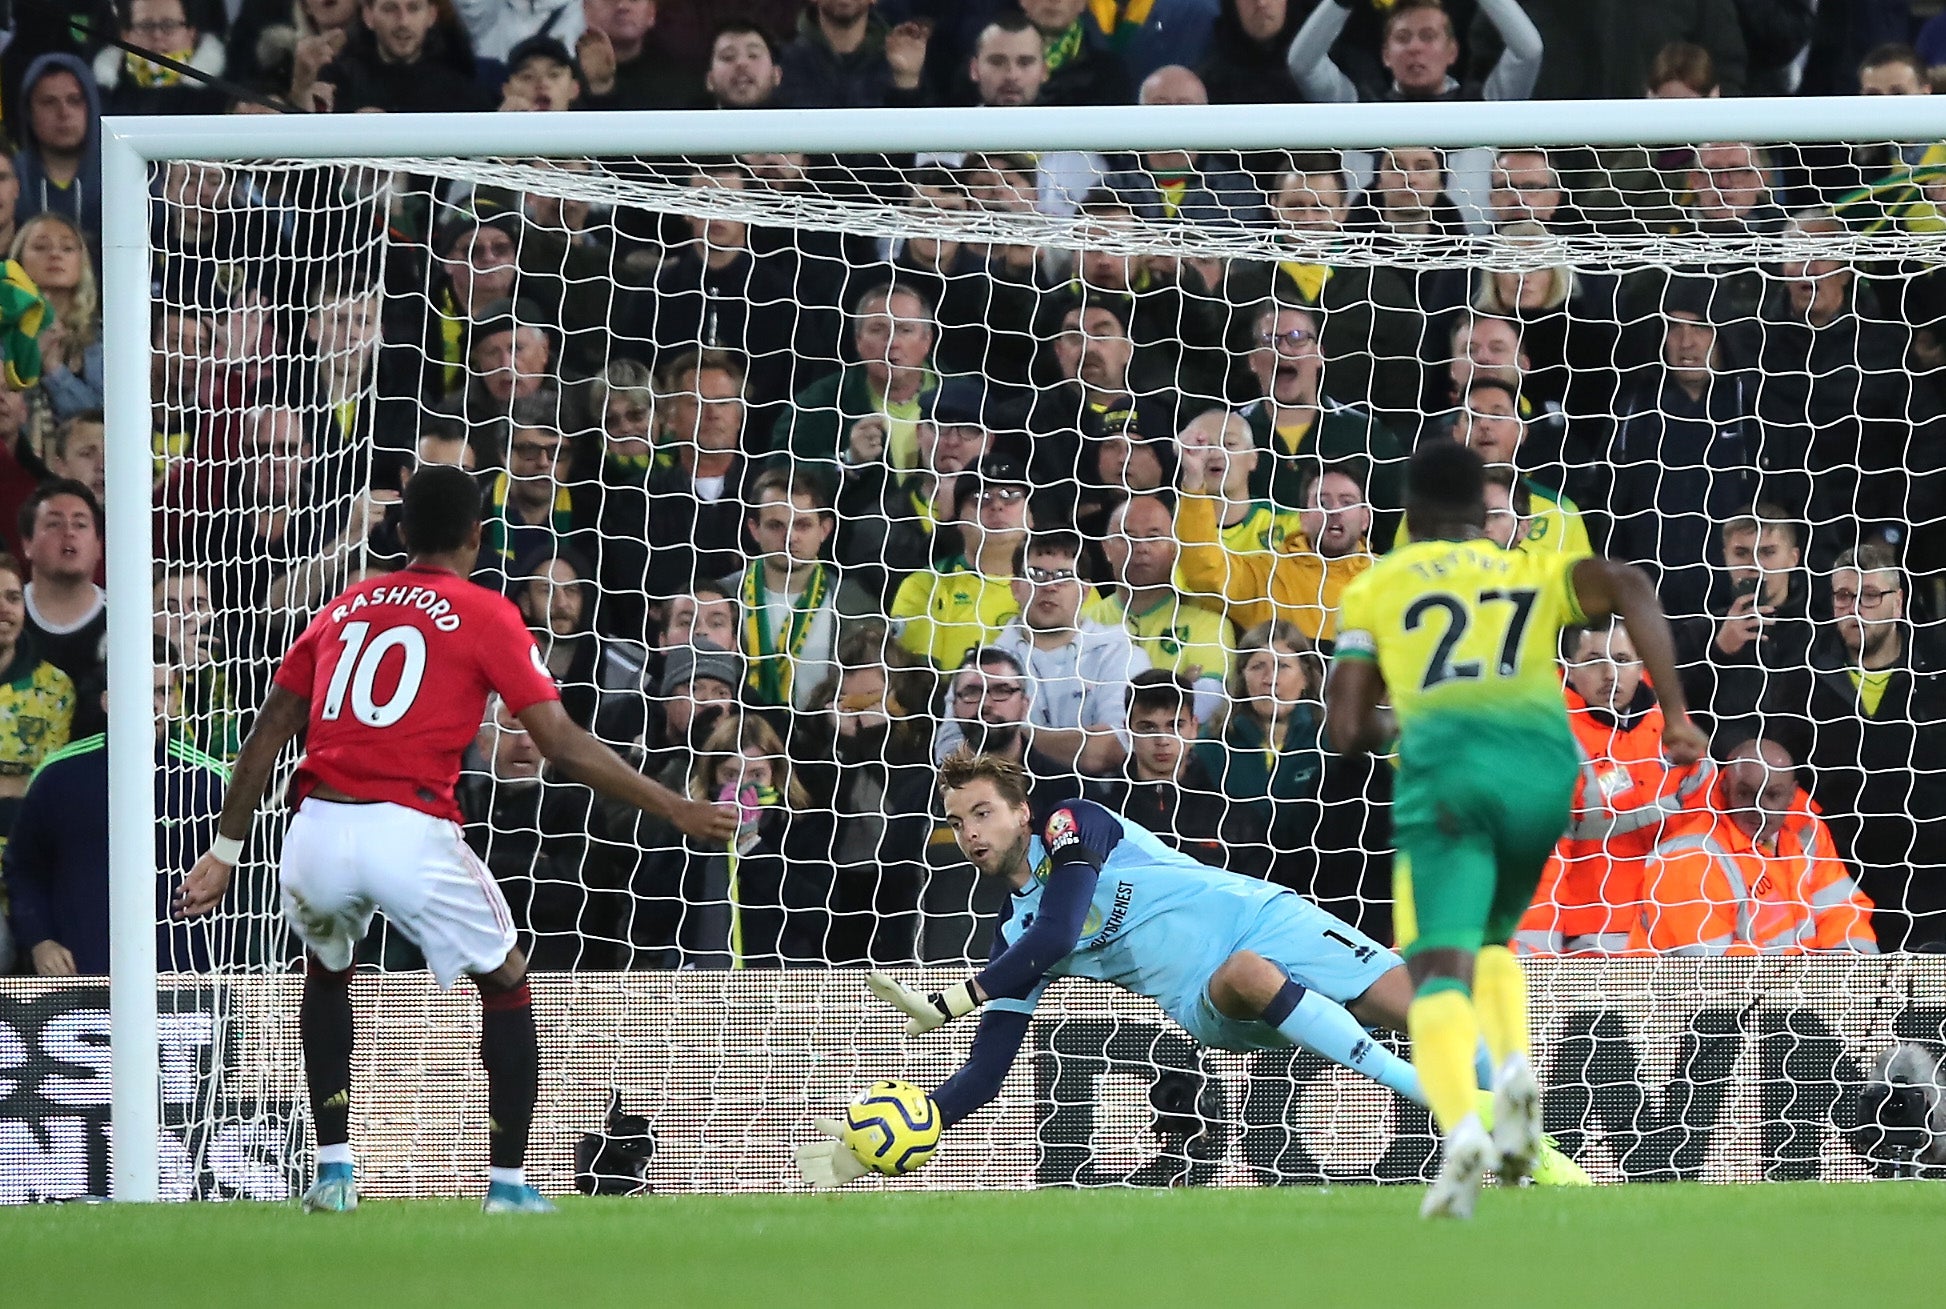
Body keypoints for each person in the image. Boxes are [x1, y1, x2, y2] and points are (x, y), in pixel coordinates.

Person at [173, 465, 737, 1214]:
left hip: (314, 828)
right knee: (506, 978)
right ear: (478, 536)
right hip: (408, 826)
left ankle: (335, 1172)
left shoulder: (344, 605)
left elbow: (271, 728)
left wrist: (225, 850)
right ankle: (506, 1184)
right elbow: (561, 743)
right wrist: (675, 806)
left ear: (401, 532)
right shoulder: (485, 611)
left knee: (328, 970)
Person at [793, 749, 1590, 1189]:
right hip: (1209, 995)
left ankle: (1531, 1151)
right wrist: (914, 1124)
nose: (969, 830)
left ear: (1021, 811)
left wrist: (958, 995)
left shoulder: (1077, 822)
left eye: (982, 811)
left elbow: (1067, 919)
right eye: (956, 819)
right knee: (1245, 972)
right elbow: (987, 1072)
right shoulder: (1015, 939)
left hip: (1268, 911)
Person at [1325, 440, 1704, 1217]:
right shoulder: (1528, 569)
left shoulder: (1376, 586)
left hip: (1449, 782)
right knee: (1493, 946)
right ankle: (1519, 1073)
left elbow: (1345, 728)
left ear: (1410, 513)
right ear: (1479, 511)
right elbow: (1631, 583)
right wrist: (1675, 714)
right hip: (1543, 780)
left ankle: (1464, 1126)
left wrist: (1400, 714)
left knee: (1435, 967)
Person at [1757, 544, 1946, 950]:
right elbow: (1784, 770)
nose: (1856, 608)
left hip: (1931, 875)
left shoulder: (1938, 669)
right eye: (1844, 596)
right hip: (1839, 876)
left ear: (1898, 602)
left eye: (1870, 596)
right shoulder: (1802, 677)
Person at [4, 640, 215, 976]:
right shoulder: (57, 776)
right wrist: (41, 940)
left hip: (184, 981)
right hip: (78, 975)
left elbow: (247, 882)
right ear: (107, 700)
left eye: (162, 692)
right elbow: (24, 869)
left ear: (176, 702)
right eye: (136, 691)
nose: (151, 705)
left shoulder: (211, 781)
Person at [1514, 621, 1714, 955]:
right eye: (1594, 660)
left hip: (1681, 919)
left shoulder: (1670, 720)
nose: (1610, 673)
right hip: (1597, 933)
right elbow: (1542, 864)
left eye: (1622, 659)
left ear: (1641, 665)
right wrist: (1537, 957)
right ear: (1567, 669)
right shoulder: (1551, 741)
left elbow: (1710, 826)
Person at [931, 529, 1149, 778]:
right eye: (1036, 575)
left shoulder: (1122, 654)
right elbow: (950, 754)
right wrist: (1076, 741)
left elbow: (1112, 749)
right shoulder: (981, 664)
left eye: (1064, 576)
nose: (1049, 586)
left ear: (1085, 591)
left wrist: (1007, 736)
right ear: (1015, 587)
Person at [1631, 738, 1878, 955]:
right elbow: (1711, 969)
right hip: (1692, 1005)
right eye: (1746, 794)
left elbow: (1843, 911)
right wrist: (1811, 981)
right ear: (1726, 787)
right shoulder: (1688, 858)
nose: (1759, 808)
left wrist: (1850, 973)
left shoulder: (1806, 831)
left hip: (1793, 996)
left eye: (1772, 795)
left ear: (1792, 795)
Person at [1176, 452, 1372, 646]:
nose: (1334, 511)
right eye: (1322, 502)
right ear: (1303, 519)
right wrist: (1193, 481)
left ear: (1366, 519)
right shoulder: (1266, 575)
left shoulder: (1386, 577)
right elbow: (1204, 569)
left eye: (1347, 502)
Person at [720, 469, 876, 713]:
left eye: (802, 525)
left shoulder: (858, 607)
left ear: (824, 530)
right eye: (775, 526)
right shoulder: (717, 600)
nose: (790, 538)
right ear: (754, 529)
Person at [1085, 493, 1232, 714]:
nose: (1141, 547)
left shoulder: (1210, 624)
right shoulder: (1082, 622)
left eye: (1154, 537)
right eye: (1128, 537)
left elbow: (1202, 708)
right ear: (1106, 549)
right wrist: (1178, 687)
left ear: (1174, 548)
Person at [889, 447, 1030, 671]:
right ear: (958, 520)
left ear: (1031, 516)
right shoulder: (924, 586)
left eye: (1010, 496)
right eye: (980, 498)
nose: (996, 505)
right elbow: (917, 682)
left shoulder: (1061, 583)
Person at [1285, 0, 1542, 104]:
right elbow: (1303, 64)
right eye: (1402, 38)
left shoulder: (1484, 104)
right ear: (1385, 54)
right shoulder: (1362, 108)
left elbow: (1528, 52)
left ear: (1452, 52)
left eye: (1428, 37)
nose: (1415, 48)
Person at [1101, 669, 1228, 866]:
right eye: (1148, 727)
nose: (1163, 740)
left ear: (1194, 728)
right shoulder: (1104, 815)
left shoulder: (1230, 816)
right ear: (1128, 731)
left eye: (1175, 726)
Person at [19, 478, 106, 741]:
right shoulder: (8, 614)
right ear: (27, 544)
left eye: (80, 524)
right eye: (54, 523)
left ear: (99, 546)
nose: (69, 532)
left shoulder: (125, 624)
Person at [0, 551, 73, 863]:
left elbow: (49, 784)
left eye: (13, 597)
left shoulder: (55, 687)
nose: (4, 609)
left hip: (27, 861)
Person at [12, 213, 102, 419]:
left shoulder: (100, 338)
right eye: (41, 247)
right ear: (19, 261)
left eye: (67, 248)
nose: (54, 254)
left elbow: (102, 420)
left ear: (82, 262)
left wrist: (54, 370)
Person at [13, 54, 102, 241]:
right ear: (29, 112)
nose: (64, 113)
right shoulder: (8, 177)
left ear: (92, 106)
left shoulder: (128, 174)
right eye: (49, 102)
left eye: (74, 100)